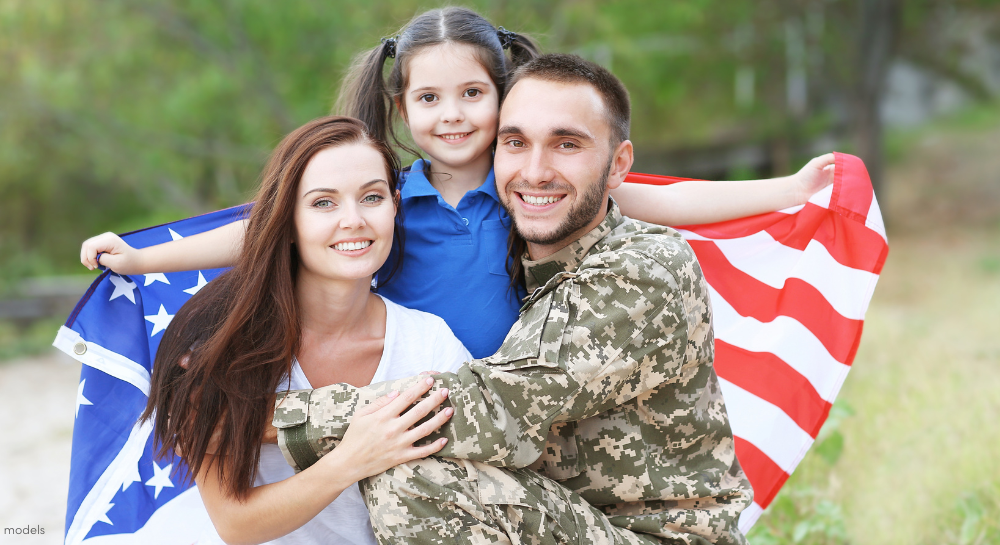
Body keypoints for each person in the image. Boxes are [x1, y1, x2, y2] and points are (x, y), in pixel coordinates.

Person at [80, 6, 836, 360]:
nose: (451, 115)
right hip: (408, 399)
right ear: (401, 104)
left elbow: (662, 197)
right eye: (429, 99)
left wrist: (787, 190)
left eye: (473, 94)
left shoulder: (533, 190)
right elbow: (265, 229)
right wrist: (144, 259)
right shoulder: (383, 197)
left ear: (504, 91)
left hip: (519, 407)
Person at [271, 54, 752, 544]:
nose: (536, 171)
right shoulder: (505, 255)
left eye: (567, 144)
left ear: (618, 164)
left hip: (651, 536)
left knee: (415, 476)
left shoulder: (646, 269)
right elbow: (284, 222)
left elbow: (494, 408)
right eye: (516, 143)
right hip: (551, 519)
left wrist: (268, 416)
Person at [142, 116, 472, 545]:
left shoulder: (429, 343)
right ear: (288, 220)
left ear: (395, 206)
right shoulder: (222, 342)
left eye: (371, 197)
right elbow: (236, 524)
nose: (353, 220)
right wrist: (353, 457)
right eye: (323, 203)